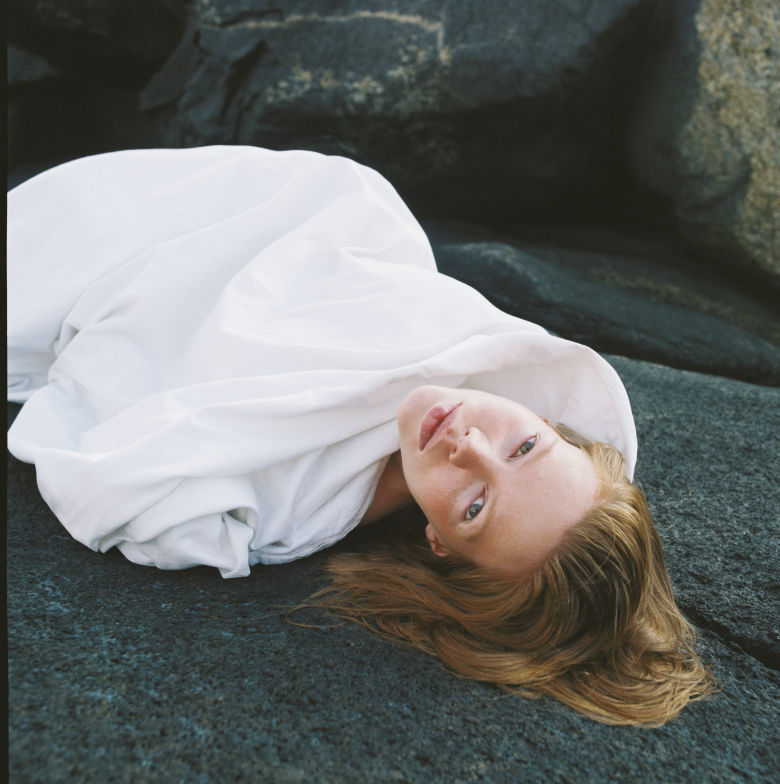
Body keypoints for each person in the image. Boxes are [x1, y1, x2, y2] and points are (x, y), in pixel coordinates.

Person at [7, 145, 715, 726]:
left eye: (475, 504)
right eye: (524, 447)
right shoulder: (466, 342)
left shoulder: (288, 509)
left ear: (440, 544)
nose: (468, 445)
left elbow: (112, 486)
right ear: (553, 425)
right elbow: (340, 206)